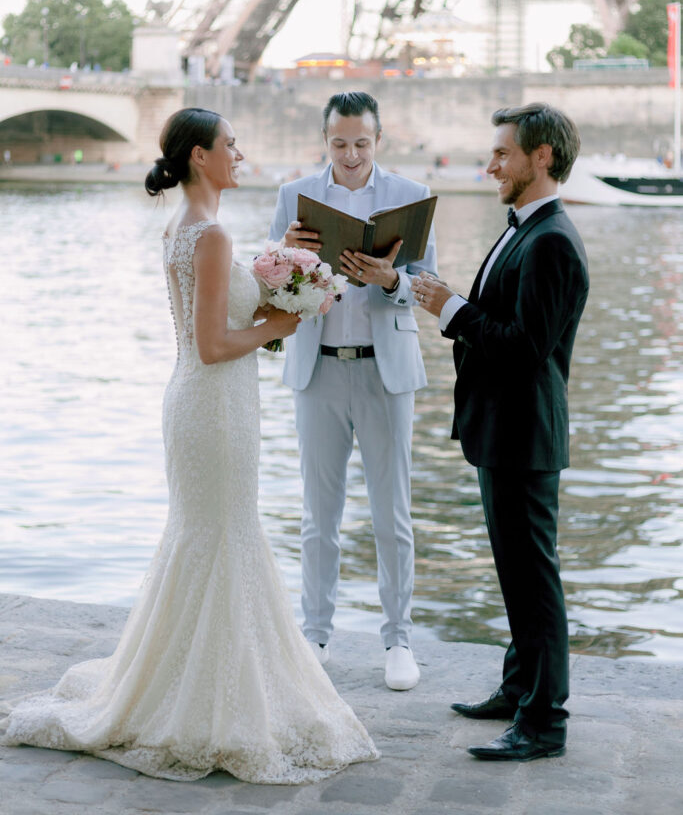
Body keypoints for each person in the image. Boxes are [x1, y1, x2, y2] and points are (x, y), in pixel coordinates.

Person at [3, 107, 378, 783]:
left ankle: (194, 682)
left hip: (201, 404)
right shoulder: (209, 237)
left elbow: (207, 332)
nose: (239, 152)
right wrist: (280, 324)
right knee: (222, 535)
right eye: (229, 144)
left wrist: (268, 299)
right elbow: (213, 346)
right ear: (200, 157)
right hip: (214, 406)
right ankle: (209, 699)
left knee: (206, 536)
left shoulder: (185, 228)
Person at [412, 102, 589, 762]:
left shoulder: (550, 241)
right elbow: (499, 320)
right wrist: (447, 299)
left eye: (501, 155)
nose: (488, 166)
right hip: (503, 429)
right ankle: (519, 691)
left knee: (532, 578)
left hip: (522, 434)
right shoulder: (525, 230)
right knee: (517, 573)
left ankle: (544, 722)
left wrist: (453, 309)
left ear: (540, 157)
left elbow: (523, 350)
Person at [269, 91, 437, 691]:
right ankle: (316, 634)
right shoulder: (294, 197)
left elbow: (425, 284)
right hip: (317, 371)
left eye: (361, 143)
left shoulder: (411, 197)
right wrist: (290, 254)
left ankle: (399, 639)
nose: (350, 155)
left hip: (385, 374)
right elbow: (271, 287)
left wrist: (391, 279)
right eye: (339, 143)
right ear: (325, 140)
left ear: (378, 140)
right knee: (319, 516)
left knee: (393, 515)